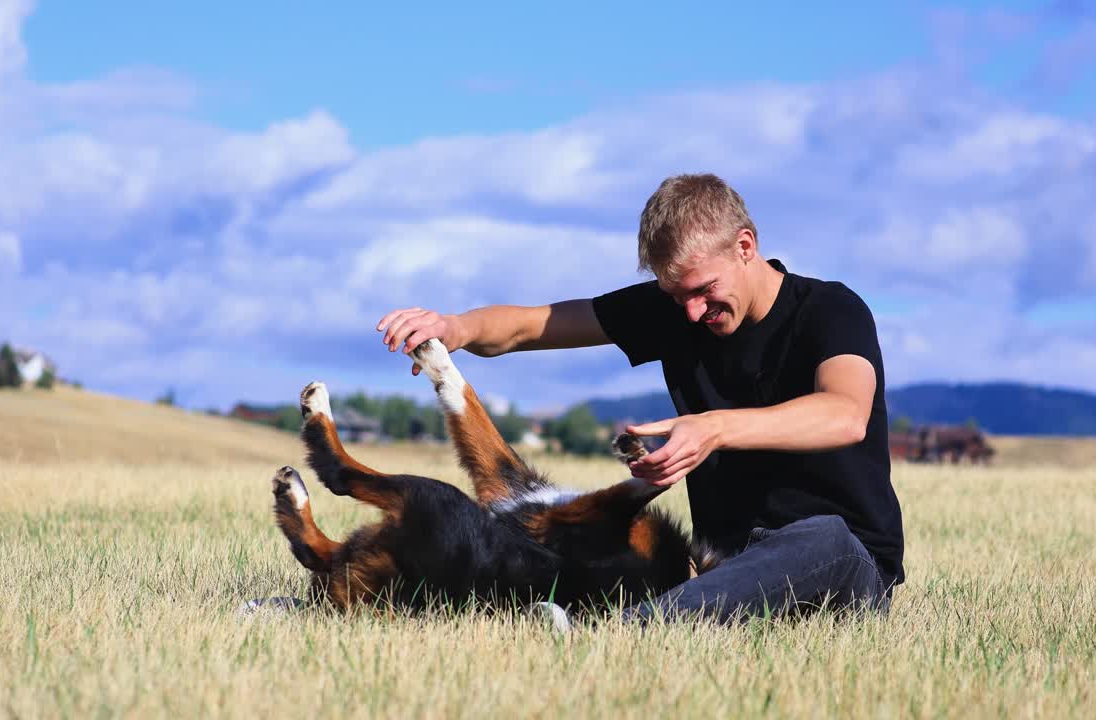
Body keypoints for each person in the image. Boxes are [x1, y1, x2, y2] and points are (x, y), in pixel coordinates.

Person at [375, 173, 904, 623]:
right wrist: (455, 327)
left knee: (824, 538)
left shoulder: (832, 311)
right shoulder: (673, 312)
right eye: (677, 297)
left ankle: (634, 628)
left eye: (703, 290)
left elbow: (845, 414)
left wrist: (712, 428)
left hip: (849, 570)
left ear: (745, 246)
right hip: (722, 565)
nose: (693, 311)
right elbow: (528, 328)